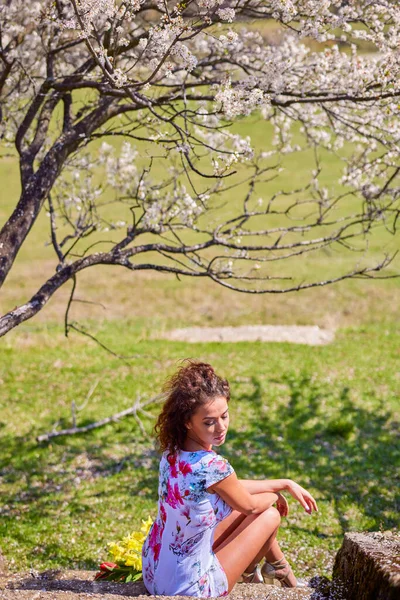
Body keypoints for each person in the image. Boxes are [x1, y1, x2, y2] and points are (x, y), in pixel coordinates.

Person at [141, 360, 318, 597]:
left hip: (154, 571)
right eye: (209, 422)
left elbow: (229, 487)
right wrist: (275, 495)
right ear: (187, 422)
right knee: (269, 513)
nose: (221, 427)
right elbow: (249, 504)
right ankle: (265, 570)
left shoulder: (173, 453)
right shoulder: (212, 466)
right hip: (189, 588)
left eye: (224, 416)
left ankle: (276, 568)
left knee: (256, 506)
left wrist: (284, 483)